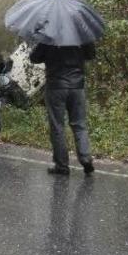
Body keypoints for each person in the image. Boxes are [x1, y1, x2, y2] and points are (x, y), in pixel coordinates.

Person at [29, 41, 96, 175]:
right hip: (77, 86)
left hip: (56, 86)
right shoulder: (81, 34)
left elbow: (34, 57)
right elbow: (91, 55)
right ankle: (86, 158)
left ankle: (62, 165)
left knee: (57, 126)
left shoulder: (49, 36)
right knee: (79, 124)